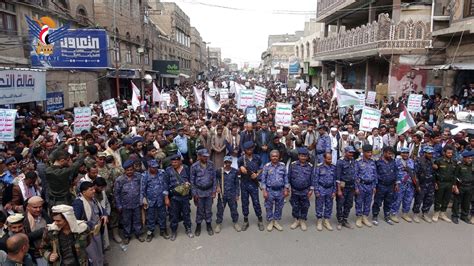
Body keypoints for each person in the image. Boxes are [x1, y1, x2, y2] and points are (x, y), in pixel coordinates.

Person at [72, 181, 106, 266]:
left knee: (99, 251)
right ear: (84, 192)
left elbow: (101, 209)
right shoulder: (78, 203)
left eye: (93, 189)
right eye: (91, 190)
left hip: (97, 232)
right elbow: (76, 221)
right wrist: (90, 225)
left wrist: (104, 215)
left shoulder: (93, 199)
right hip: (88, 235)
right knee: (92, 256)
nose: (94, 191)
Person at [45, 138, 85, 205]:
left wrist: (66, 143)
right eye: (68, 160)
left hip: (51, 201)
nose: (69, 161)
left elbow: (53, 154)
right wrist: (81, 145)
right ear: (62, 161)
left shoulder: (47, 169)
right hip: (63, 202)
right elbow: (80, 160)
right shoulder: (64, 171)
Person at [114, 159, 145, 244]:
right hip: (125, 205)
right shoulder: (119, 180)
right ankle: (127, 236)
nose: (129, 172)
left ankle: (138, 234)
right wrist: (119, 205)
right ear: (125, 170)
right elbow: (116, 193)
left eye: (131, 170)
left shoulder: (139, 176)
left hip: (136, 203)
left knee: (137, 220)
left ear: (133, 169)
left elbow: (142, 188)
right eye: (127, 170)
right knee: (126, 221)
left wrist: (142, 200)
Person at [164, 154, 193, 241]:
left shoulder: (186, 168)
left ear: (180, 161)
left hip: (184, 196)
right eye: (172, 162)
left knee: (186, 213)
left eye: (176, 162)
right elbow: (165, 184)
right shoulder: (168, 170)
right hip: (174, 197)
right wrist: (166, 198)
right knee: (174, 215)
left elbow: (191, 180)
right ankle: (173, 231)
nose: (174, 163)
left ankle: (188, 229)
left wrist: (190, 189)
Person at [238, 141, 264, 231]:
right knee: (245, 203)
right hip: (244, 183)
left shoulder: (257, 157)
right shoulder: (241, 159)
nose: (249, 151)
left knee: (256, 202)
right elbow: (237, 172)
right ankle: (245, 221)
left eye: (251, 149)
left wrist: (257, 174)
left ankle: (260, 219)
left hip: (254, 183)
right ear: (244, 150)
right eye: (247, 149)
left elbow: (261, 167)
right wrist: (240, 169)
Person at [260, 150, 289, 232]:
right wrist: (264, 191)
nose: (275, 158)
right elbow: (263, 180)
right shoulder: (267, 166)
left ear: (279, 157)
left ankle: (275, 221)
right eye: (273, 156)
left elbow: (286, 178)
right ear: (270, 157)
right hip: (270, 190)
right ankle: (270, 221)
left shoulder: (282, 166)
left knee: (279, 207)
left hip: (280, 190)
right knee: (268, 207)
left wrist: (286, 189)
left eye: (276, 156)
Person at [141, 159, 169, 241]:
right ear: (149, 167)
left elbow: (165, 186)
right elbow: (142, 189)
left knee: (162, 216)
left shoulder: (162, 173)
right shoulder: (145, 175)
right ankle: (150, 232)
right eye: (153, 168)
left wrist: (166, 197)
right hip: (150, 200)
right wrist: (143, 200)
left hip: (161, 199)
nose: (155, 169)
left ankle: (163, 230)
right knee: (150, 217)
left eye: (156, 167)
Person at [190, 149, 217, 236]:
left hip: (209, 191)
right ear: (199, 156)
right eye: (204, 156)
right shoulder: (194, 166)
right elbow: (192, 181)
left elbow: (214, 178)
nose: (206, 158)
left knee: (208, 209)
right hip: (199, 191)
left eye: (207, 156)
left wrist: (214, 191)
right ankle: (198, 225)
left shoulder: (211, 164)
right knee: (200, 210)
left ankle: (208, 225)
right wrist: (194, 194)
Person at [288, 147, 313, 231]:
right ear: (298, 156)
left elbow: (313, 178)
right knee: (295, 205)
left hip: (305, 190)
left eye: (305, 156)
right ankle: (296, 220)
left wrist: (311, 190)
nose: (303, 158)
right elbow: (289, 176)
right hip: (295, 190)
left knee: (305, 206)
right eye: (301, 156)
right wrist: (288, 188)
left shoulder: (310, 166)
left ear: (307, 157)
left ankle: (302, 220)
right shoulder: (293, 165)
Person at [372, 147, 399, 225]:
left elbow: (396, 172)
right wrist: (375, 186)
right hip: (381, 185)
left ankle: (387, 216)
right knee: (377, 202)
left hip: (391, 186)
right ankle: (375, 216)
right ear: (384, 153)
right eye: (389, 153)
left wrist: (396, 183)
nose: (390, 155)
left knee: (388, 202)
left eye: (391, 154)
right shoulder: (378, 162)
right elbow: (375, 174)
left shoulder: (393, 161)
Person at [215, 156, 241, 233]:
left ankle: (235, 222)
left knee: (234, 210)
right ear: (224, 162)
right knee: (220, 210)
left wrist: (237, 194)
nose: (228, 164)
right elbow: (216, 179)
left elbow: (237, 184)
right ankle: (218, 223)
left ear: (231, 163)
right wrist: (217, 186)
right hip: (222, 195)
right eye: (226, 162)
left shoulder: (235, 171)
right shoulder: (220, 171)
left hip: (232, 194)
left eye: (229, 162)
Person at [432, 145, 457, 223]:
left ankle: (442, 213)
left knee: (446, 199)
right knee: (438, 199)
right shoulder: (439, 161)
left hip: (449, 184)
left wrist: (454, 184)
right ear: (444, 153)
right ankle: (436, 213)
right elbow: (434, 173)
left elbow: (455, 174)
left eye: (451, 153)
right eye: (448, 153)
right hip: (440, 183)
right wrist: (435, 182)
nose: (450, 154)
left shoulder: (454, 162)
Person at [354, 144, 377, 228]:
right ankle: (359, 217)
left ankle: (365, 217)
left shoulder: (372, 161)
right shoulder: (358, 162)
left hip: (370, 185)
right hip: (361, 185)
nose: (370, 154)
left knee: (368, 202)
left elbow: (375, 174)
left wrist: (374, 186)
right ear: (363, 152)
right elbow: (355, 175)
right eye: (368, 152)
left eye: (371, 152)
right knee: (359, 202)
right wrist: (356, 187)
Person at [23, 196, 49, 266]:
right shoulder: (24, 220)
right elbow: (25, 237)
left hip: (48, 251)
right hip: (34, 253)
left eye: (40, 207)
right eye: (35, 207)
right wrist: (43, 230)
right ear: (28, 207)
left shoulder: (44, 214)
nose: (38, 209)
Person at [392, 147, 416, 223]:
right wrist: (396, 183)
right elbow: (394, 173)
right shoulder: (396, 161)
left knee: (408, 200)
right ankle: (393, 214)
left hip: (410, 184)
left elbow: (414, 172)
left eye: (407, 153)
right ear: (401, 153)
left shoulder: (411, 161)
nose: (405, 154)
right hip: (400, 184)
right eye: (403, 153)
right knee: (397, 199)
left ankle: (405, 214)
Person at [413, 146, 436, 223]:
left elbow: (435, 173)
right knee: (419, 199)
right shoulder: (419, 161)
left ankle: (425, 213)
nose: (431, 155)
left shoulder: (432, 161)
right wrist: (417, 185)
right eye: (429, 153)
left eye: (432, 153)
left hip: (430, 183)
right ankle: (415, 213)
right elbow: (415, 174)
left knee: (429, 199)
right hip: (422, 183)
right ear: (425, 153)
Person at [335, 146, 357, 230]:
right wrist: (339, 190)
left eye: (352, 153)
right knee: (340, 204)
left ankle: (345, 219)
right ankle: (340, 221)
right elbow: (337, 177)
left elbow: (354, 174)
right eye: (350, 152)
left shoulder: (353, 161)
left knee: (349, 204)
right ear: (345, 152)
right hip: (342, 187)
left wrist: (355, 187)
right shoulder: (340, 162)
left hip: (351, 186)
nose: (351, 154)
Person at [313, 152, 336, 231]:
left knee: (329, 206)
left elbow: (334, 180)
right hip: (321, 188)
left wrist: (334, 191)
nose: (330, 160)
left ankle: (326, 221)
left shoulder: (333, 167)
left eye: (331, 159)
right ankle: (319, 220)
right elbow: (315, 179)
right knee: (319, 205)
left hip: (330, 189)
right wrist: (316, 191)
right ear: (324, 159)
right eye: (328, 159)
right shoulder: (319, 167)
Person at [451, 150, 474, 224]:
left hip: (470, 187)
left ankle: (464, 216)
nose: (470, 159)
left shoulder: (473, 165)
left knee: (466, 202)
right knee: (457, 202)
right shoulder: (459, 165)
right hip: (460, 186)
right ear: (464, 158)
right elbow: (454, 176)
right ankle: (455, 216)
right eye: (468, 158)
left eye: (471, 158)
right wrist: (455, 187)